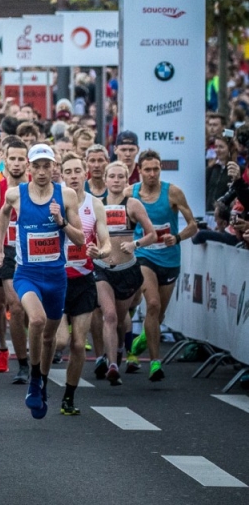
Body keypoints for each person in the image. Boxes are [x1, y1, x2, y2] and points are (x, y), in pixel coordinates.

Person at [0, 143, 84, 419]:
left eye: (47, 166)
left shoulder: (66, 195)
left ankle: (42, 382)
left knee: (50, 339)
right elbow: (4, 214)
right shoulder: (16, 194)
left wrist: (60, 222)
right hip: (27, 274)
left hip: (56, 277)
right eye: (37, 166)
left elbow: (80, 238)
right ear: (29, 168)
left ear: (53, 167)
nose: (42, 171)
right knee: (36, 320)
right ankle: (34, 378)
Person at [129, 149, 199, 381]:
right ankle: (155, 363)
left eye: (156, 169)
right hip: (144, 256)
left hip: (169, 258)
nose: (152, 174)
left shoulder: (173, 193)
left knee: (158, 316)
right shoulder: (132, 193)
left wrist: (177, 237)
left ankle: (141, 342)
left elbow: (193, 225)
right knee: (153, 305)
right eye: (147, 169)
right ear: (139, 171)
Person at [93, 161, 156, 384]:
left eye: (121, 177)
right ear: (106, 179)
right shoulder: (96, 204)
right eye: (113, 176)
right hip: (102, 270)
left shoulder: (133, 204)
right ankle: (112, 365)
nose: (117, 180)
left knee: (120, 320)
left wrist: (135, 244)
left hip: (127, 270)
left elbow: (152, 234)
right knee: (108, 316)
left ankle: (119, 349)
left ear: (127, 180)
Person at [57, 153, 111, 414]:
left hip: (83, 280)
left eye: (79, 171)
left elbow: (106, 241)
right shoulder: (53, 203)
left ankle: (69, 397)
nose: (75, 176)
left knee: (78, 343)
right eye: (69, 171)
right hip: (56, 281)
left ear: (86, 174)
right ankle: (38, 376)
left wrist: (100, 252)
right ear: (62, 175)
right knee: (59, 341)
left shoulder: (95, 204)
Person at [0, 137, 31, 381]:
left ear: (28, 162)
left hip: (33, 253)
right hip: (6, 251)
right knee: (9, 305)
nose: (17, 163)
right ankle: (7, 351)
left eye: (22, 158)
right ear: (4, 159)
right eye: (12, 158)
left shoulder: (37, 186)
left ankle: (30, 349)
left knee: (27, 308)